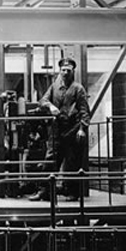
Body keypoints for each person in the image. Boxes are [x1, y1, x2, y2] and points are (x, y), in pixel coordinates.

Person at [29, 57, 90, 201]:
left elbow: (85, 111)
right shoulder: (54, 87)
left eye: (68, 70)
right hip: (56, 130)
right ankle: (45, 191)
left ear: (73, 71)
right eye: (63, 70)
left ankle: (73, 192)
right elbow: (43, 100)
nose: (65, 73)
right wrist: (50, 106)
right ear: (60, 71)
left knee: (72, 162)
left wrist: (82, 128)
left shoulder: (78, 89)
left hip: (72, 130)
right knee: (50, 160)